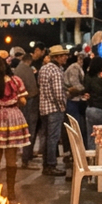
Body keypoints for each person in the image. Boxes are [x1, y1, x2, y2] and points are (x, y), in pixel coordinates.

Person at [0, 56, 30, 199]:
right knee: (11, 157)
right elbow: (23, 101)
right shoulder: (16, 81)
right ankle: (11, 192)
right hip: (13, 119)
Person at [38, 45, 69, 177]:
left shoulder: (44, 69)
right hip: (54, 109)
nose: (66, 58)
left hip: (44, 108)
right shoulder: (56, 71)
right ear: (57, 57)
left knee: (46, 138)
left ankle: (46, 164)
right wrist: (62, 106)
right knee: (53, 138)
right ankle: (51, 164)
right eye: (63, 55)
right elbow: (57, 93)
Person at [11, 48, 40, 166]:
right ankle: (26, 158)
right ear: (29, 60)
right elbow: (33, 90)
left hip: (20, 103)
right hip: (30, 103)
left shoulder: (17, 69)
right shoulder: (27, 70)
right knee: (30, 131)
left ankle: (23, 157)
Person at [82, 56, 102, 149]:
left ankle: (92, 159)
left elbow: (86, 90)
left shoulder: (87, 77)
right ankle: (101, 159)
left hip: (89, 108)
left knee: (91, 136)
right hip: (100, 109)